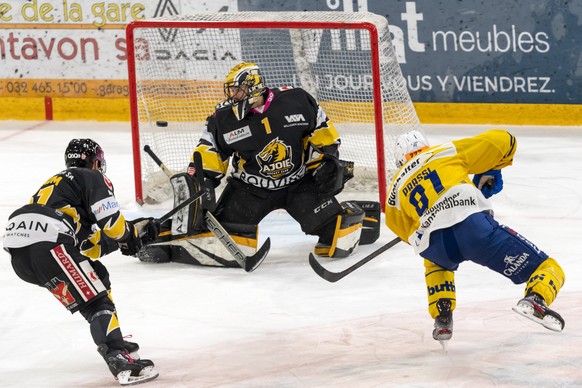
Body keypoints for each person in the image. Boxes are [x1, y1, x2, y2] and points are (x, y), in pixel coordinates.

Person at [140, 62, 381, 266]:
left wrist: (327, 160)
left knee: (336, 238)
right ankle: (158, 235)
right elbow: (209, 150)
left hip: (298, 184)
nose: (232, 96)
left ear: (253, 86)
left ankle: (358, 215)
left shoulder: (296, 101)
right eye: (231, 91)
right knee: (226, 243)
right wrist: (202, 179)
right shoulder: (223, 118)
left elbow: (322, 130)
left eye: (237, 91)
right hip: (250, 190)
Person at [384, 129, 566, 346]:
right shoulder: (443, 152)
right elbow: (505, 140)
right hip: (473, 229)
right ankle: (536, 298)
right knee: (548, 267)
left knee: (432, 255)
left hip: (438, 245)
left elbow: (402, 230)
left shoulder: (395, 188)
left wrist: (430, 223)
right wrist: (492, 168)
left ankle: (442, 315)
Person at [2, 139, 159, 386]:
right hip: (48, 240)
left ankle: (114, 339)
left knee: (96, 276)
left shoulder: (61, 187)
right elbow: (112, 222)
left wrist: (123, 241)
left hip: (20, 251)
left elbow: (87, 246)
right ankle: (116, 354)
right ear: (95, 161)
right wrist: (130, 236)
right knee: (96, 302)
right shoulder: (91, 177)